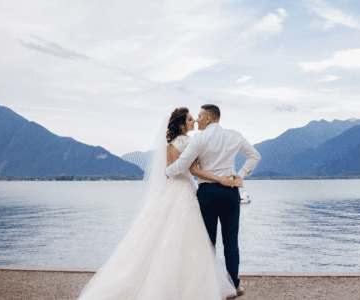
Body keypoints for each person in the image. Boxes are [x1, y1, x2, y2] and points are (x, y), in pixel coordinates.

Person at [77, 107, 240, 300]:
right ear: (181, 124)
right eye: (189, 119)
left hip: (171, 190)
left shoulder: (170, 144)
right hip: (185, 191)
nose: (193, 122)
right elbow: (194, 170)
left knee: (161, 235)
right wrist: (221, 179)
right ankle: (189, 283)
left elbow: (168, 170)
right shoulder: (189, 141)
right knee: (188, 238)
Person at [165, 104, 261, 297]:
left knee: (208, 242)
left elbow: (184, 164)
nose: (197, 120)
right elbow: (254, 156)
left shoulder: (199, 138)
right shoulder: (234, 135)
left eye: (199, 116)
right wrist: (239, 175)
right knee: (231, 242)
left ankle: (210, 286)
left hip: (207, 193)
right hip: (230, 193)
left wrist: (167, 171)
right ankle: (234, 285)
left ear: (208, 119)